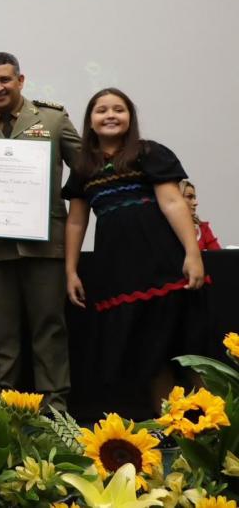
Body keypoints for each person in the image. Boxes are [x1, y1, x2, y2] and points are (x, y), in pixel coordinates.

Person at [64, 88, 207, 415]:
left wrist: (192, 252)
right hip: (120, 275)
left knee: (189, 354)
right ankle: (173, 432)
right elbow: (75, 223)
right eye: (102, 110)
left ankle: (214, 436)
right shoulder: (85, 166)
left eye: (119, 109)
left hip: (165, 267)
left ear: (130, 118)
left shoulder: (149, 153)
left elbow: (172, 203)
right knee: (150, 357)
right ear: (90, 121)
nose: (110, 115)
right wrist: (70, 270)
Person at [0, 51, 80, 411]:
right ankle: (1, 410)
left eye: (4, 80)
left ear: (20, 80)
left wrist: (54, 198)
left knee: (49, 329)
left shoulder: (53, 120)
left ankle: (55, 409)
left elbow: (85, 167)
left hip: (44, 244)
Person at [180, 180, 222, 251]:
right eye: (189, 197)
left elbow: (218, 256)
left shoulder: (203, 228)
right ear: (176, 199)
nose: (196, 203)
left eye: (194, 198)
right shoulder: (163, 228)